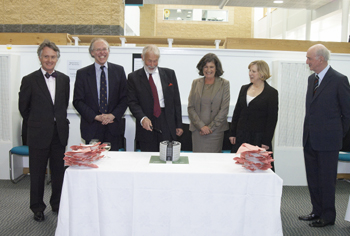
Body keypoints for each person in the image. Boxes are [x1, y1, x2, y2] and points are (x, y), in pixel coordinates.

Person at [298, 44, 350, 227]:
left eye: (309, 58)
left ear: (321, 59)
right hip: (310, 139)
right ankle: (316, 211)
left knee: (327, 181)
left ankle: (328, 217)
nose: (307, 62)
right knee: (313, 178)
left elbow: (347, 113)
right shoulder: (312, 79)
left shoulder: (339, 80)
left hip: (329, 141)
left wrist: (336, 135)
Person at [19, 39, 70, 222]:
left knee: (59, 173)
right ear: (40, 58)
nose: (50, 60)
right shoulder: (29, 80)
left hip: (59, 134)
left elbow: (62, 105)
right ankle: (37, 208)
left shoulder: (64, 79)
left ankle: (57, 204)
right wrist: (39, 123)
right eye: (46, 56)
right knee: (38, 174)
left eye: (53, 57)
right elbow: (23, 109)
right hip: (38, 134)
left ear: (57, 58)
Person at [73, 38, 127, 150]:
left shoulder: (119, 71)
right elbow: (78, 101)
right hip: (91, 127)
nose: (102, 53)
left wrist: (112, 115)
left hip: (113, 127)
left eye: (104, 49)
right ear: (92, 53)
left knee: (113, 163)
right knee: (93, 164)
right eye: (98, 50)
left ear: (108, 51)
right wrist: (96, 117)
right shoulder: (82, 74)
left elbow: (125, 98)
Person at [127, 45, 183, 151]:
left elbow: (176, 100)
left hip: (167, 122)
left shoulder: (169, 74)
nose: (152, 65)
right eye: (149, 61)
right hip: (147, 123)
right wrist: (142, 118)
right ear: (142, 58)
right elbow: (132, 102)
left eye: (155, 61)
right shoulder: (133, 77)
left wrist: (179, 124)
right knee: (148, 158)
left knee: (168, 156)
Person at [229, 60, 278, 156]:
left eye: (253, 71)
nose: (250, 74)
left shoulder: (271, 93)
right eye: (250, 71)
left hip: (258, 138)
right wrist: (232, 133)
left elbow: (272, 119)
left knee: (257, 166)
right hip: (241, 135)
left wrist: (266, 140)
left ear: (262, 73)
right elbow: (237, 112)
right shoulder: (244, 88)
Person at [188, 53, 230, 153]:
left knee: (213, 163)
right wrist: (201, 127)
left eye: (211, 67)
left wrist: (210, 128)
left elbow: (224, 109)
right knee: (198, 162)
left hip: (215, 132)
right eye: (206, 66)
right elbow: (191, 107)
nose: (208, 70)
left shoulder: (224, 84)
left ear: (216, 68)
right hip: (198, 132)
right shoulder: (195, 83)